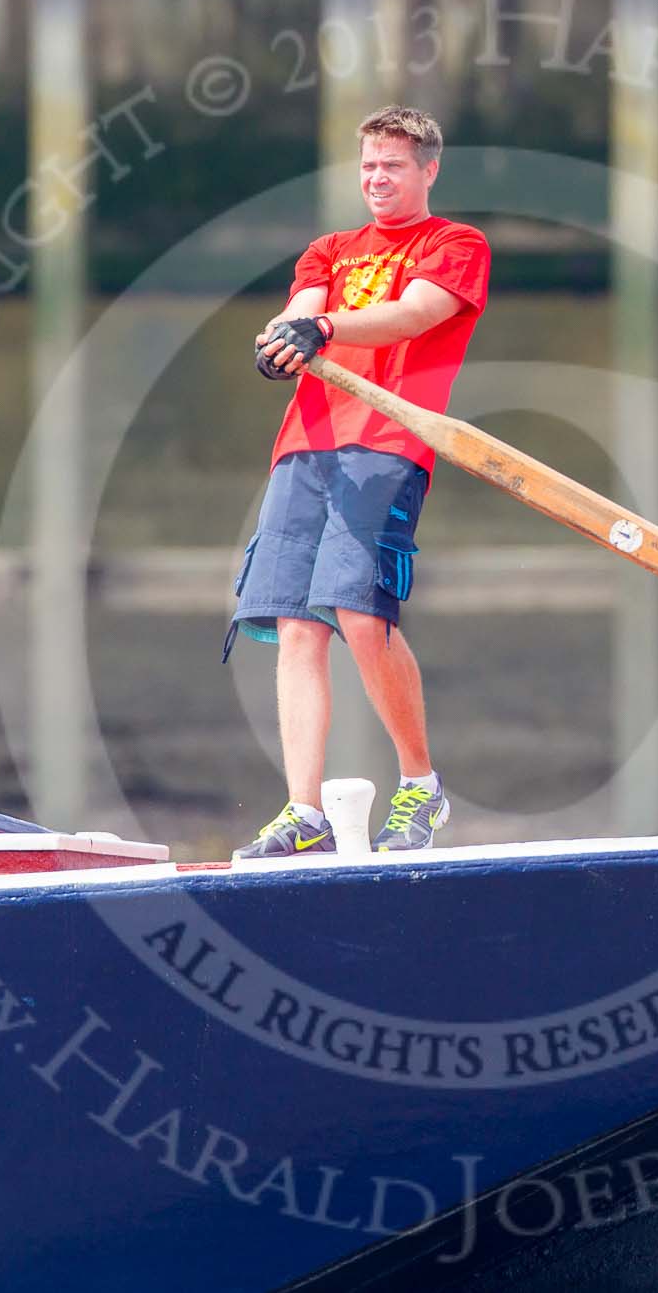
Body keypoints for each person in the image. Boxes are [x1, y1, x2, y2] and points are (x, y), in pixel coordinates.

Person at [226, 105, 490, 860]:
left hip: (389, 442)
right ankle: (303, 811)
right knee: (294, 624)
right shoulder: (330, 249)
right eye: (369, 165)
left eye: (395, 166)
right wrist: (283, 338)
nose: (378, 178)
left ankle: (420, 787)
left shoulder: (456, 244)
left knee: (358, 611)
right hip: (304, 446)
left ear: (428, 171)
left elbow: (414, 314)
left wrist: (328, 331)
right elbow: (299, 313)